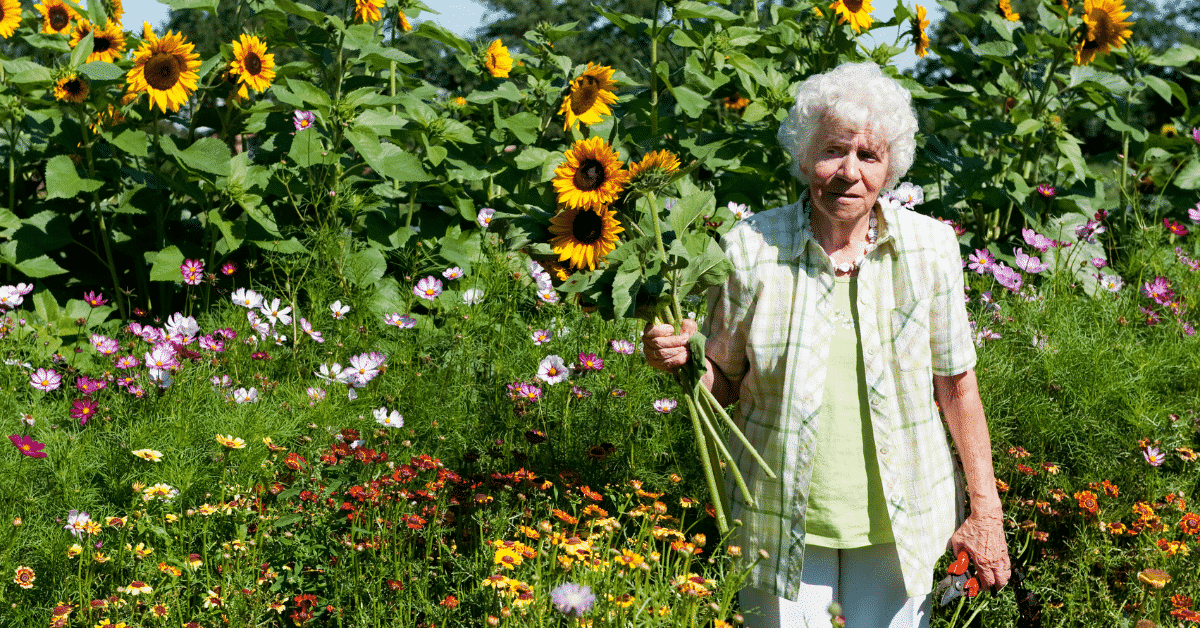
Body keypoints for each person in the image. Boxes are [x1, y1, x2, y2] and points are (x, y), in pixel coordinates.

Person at [643, 62, 1010, 628]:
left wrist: (986, 512)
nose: (849, 173)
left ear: (890, 168)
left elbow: (957, 387)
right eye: (833, 151)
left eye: (869, 156)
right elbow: (725, 383)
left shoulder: (931, 249)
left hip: (903, 517)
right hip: (778, 514)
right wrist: (684, 360)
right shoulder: (748, 249)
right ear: (802, 155)